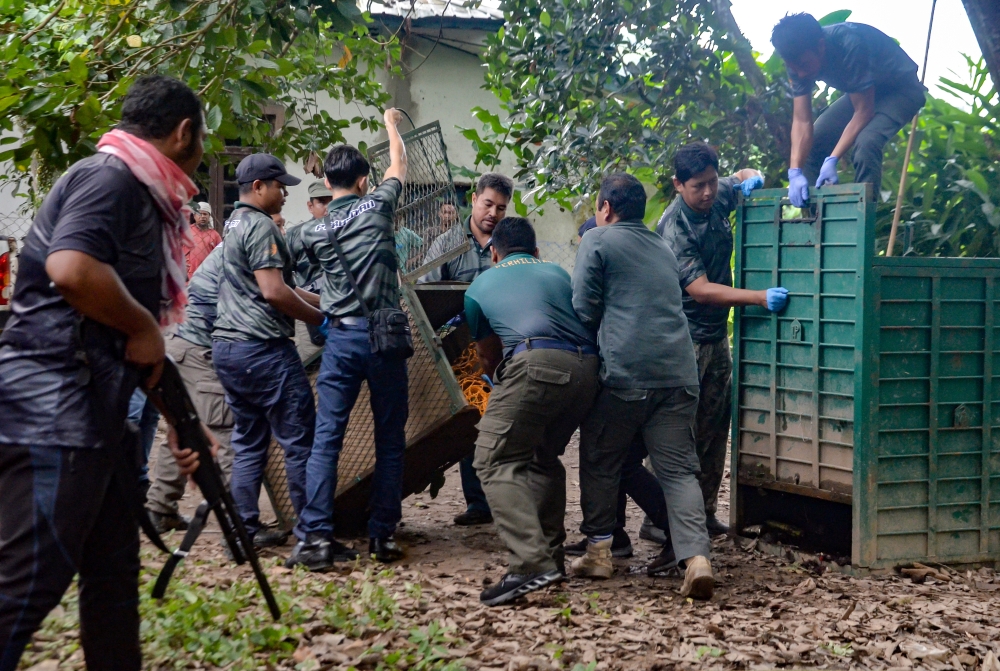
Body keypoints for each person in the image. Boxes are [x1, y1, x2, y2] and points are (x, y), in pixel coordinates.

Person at [0, 75, 215, 669]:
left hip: (97, 413)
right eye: (203, 140)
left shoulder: (142, 191)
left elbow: (118, 333)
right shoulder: (110, 178)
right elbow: (71, 270)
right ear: (182, 133)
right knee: (26, 585)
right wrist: (144, 325)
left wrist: (175, 421)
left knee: (113, 581)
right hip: (54, 412)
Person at [570, 173, 714, 600]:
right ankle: (697, 559)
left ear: (606, 209)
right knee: (678, 470)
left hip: (626, 374)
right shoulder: (663, 246)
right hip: (679, 373)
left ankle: (598, 552)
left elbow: (583, 307)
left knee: (599, 455)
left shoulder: (597, 240)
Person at [287, 108, 410, 569]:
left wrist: (310, 301)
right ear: (362, 180)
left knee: (327, 438)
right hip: (382, 340)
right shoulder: (377, 203)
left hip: (338, 339)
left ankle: (316, 536)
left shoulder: (311, 230)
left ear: (329, 184)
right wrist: (390, 124)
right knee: (389, 438)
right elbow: (399, 164)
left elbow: (276, 267)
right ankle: (382, 536)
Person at [465, 217, 600, 606]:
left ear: (493, 252)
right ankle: (551, 560)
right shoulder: (557, 272)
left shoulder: (478, 287)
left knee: (491, 458)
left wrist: (500, 386)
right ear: (536, 250)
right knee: (542, 456)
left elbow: (487, 357)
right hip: (587, 370)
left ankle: (529, 563)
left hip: (536, 364)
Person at [212, 153, 324, 549]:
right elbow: (274, 292)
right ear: (257, 187)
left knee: (248, 441)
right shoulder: (261, 227)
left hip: (228, 349)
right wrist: (319, 319)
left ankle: (243, 531)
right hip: (262, 350)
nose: (283, 195)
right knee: (299, 440)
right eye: (279, 186)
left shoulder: (235, 222)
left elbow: (279, 285)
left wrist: (321, 301)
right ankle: (312, 536)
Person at [420, 172, 514, 528]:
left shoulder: (507, 244)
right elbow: (426, 300)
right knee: (471, 423)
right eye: (488, 204)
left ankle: (506, 501)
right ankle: (479, 502)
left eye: (501, 208)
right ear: (473, 200)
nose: (493, 213)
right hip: (460, 350)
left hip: (503, 348)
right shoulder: (446, 244)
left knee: (505, 424)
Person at [771, 13, 926, 206]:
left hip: (901, 91)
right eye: (795, 67)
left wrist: (832, 159)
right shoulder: (796, 58)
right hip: (860, 93)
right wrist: (794, 171)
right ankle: (817, 223)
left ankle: (862, 219)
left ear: (821, 46)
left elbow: (863, 112)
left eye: (804, 65)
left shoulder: (850, 43)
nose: (801, 73)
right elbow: (802, 121)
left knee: (866, 144)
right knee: (811, 146)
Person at [145, 245, 236, 533]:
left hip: (177, 340)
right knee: (221, 428)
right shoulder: (253, 241)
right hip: (196, 346)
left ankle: (160, 509)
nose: (281, 226)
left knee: (184, 425)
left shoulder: (229, 243)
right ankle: (237, 521)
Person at [185, 201, 222, 278]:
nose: (202, 216)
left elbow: (220, 255)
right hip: (188, 275)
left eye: (205, 214)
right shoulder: (186, 232)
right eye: (199, 213)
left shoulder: (215, 235)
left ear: (209, 217)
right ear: (194, 216)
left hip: (208, 275)